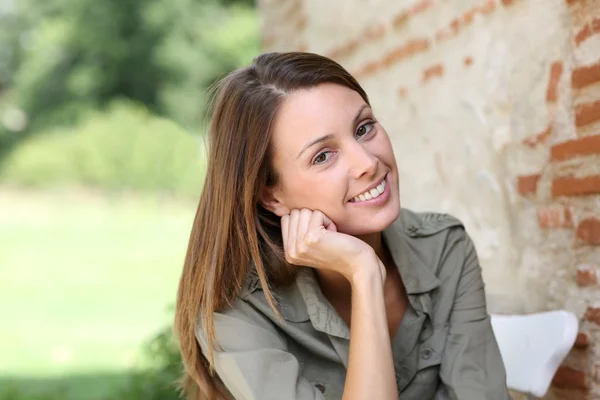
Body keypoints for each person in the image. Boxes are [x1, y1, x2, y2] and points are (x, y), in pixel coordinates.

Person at [174, 52, 511, 400]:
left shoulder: (442, 248)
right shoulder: (234, 309)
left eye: (364, 128)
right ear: (271, 196)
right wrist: (364, 273)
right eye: (323, 156)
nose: (368, 162)